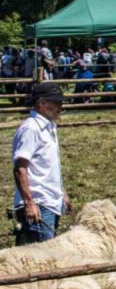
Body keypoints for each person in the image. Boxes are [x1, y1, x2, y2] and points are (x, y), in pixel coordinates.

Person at [12, 83, 73, 244]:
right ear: (41, 103)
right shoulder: (31, 128)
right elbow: (20, 169)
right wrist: (29, 203)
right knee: (39, 258)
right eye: (56, 103)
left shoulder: (49, 127)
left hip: (51, 201)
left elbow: (49, 166)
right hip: (39, 203)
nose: (60, 107)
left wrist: (62, 193)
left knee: (47, 252)